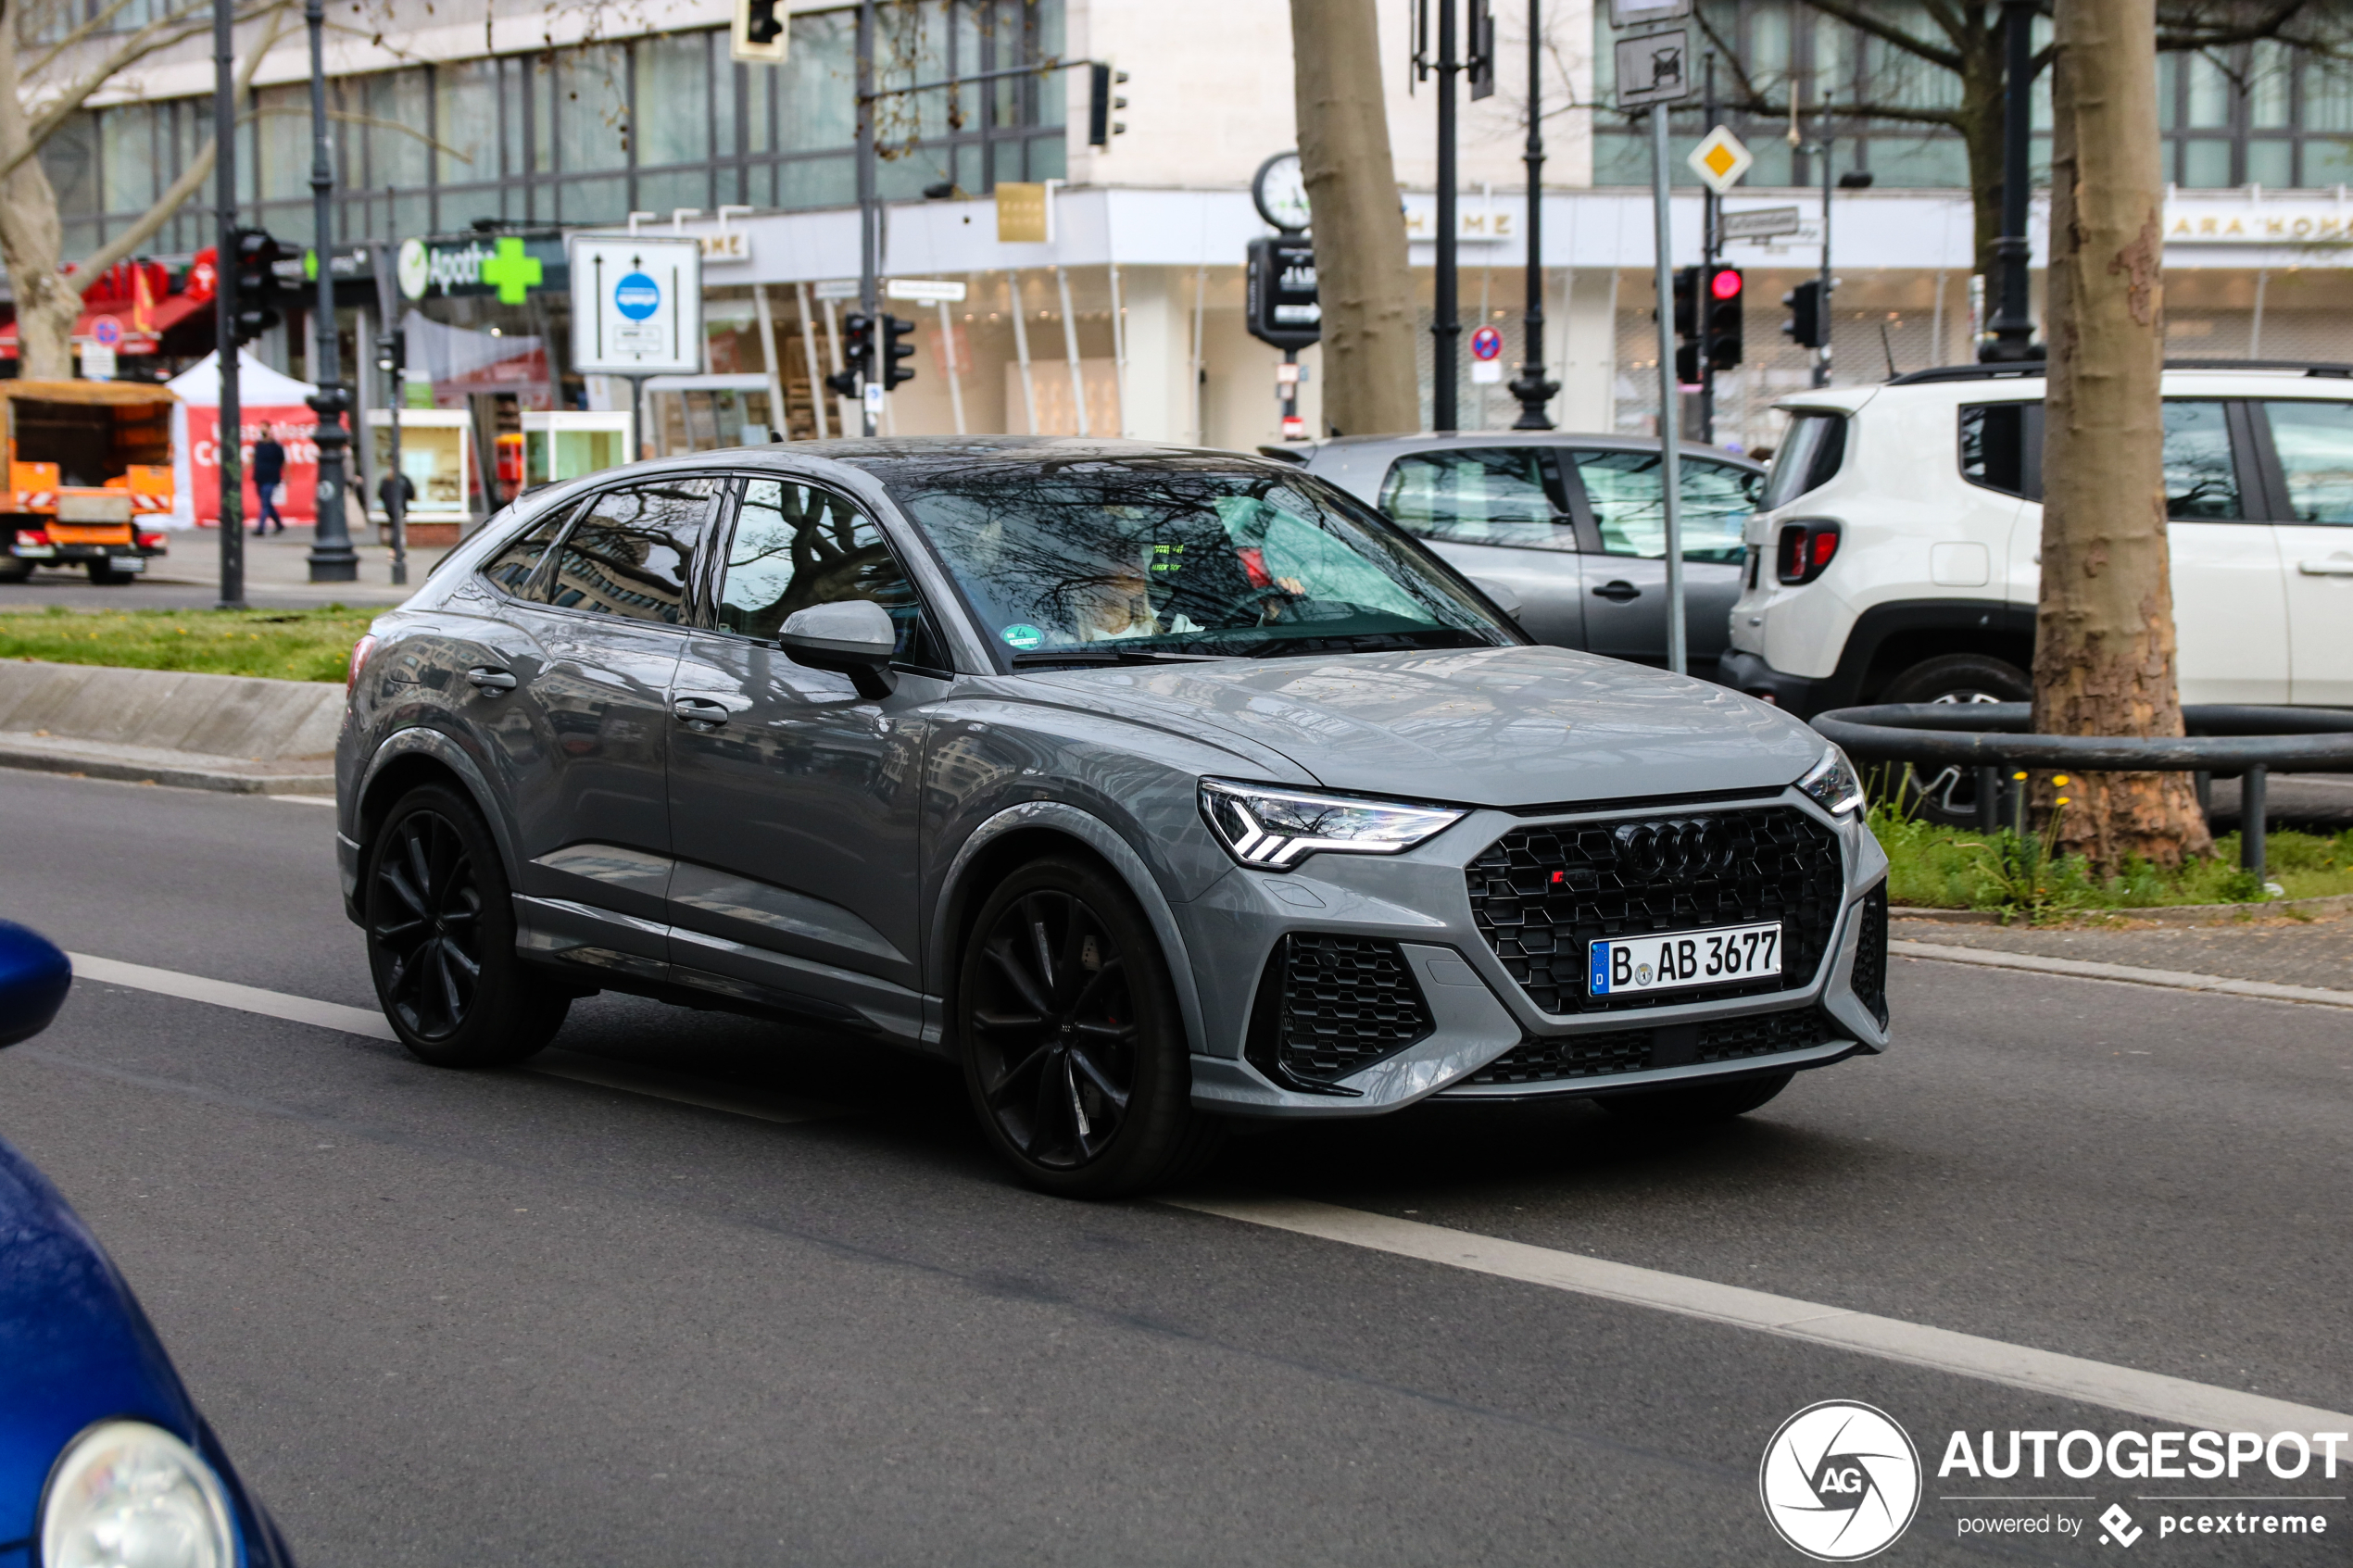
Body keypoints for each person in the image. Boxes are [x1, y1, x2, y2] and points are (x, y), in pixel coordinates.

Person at [250, 433, 286, 535]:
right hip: (260, 477)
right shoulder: (259, 445)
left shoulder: (277, 447)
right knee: (266, 503)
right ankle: (279, 524)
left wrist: (287, 475)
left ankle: (260, 528)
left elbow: (283, 462)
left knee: (265, 503)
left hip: (272, 478)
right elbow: (253, 459)